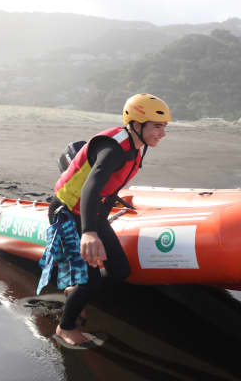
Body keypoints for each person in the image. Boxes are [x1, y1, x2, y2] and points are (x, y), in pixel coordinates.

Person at [42, 93, 171, 348]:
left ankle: (76, 292)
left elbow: (108, 187)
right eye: (157, 126)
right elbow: (90, 188)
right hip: (68, 212)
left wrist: (103, 216)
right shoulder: (113, 148)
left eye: (164, 127)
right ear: (137, 124)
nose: (162, 134)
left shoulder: (136, 145)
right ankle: (65, 327)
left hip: (92, 212)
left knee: (120, 270)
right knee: (92, 279)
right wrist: (90, 233)